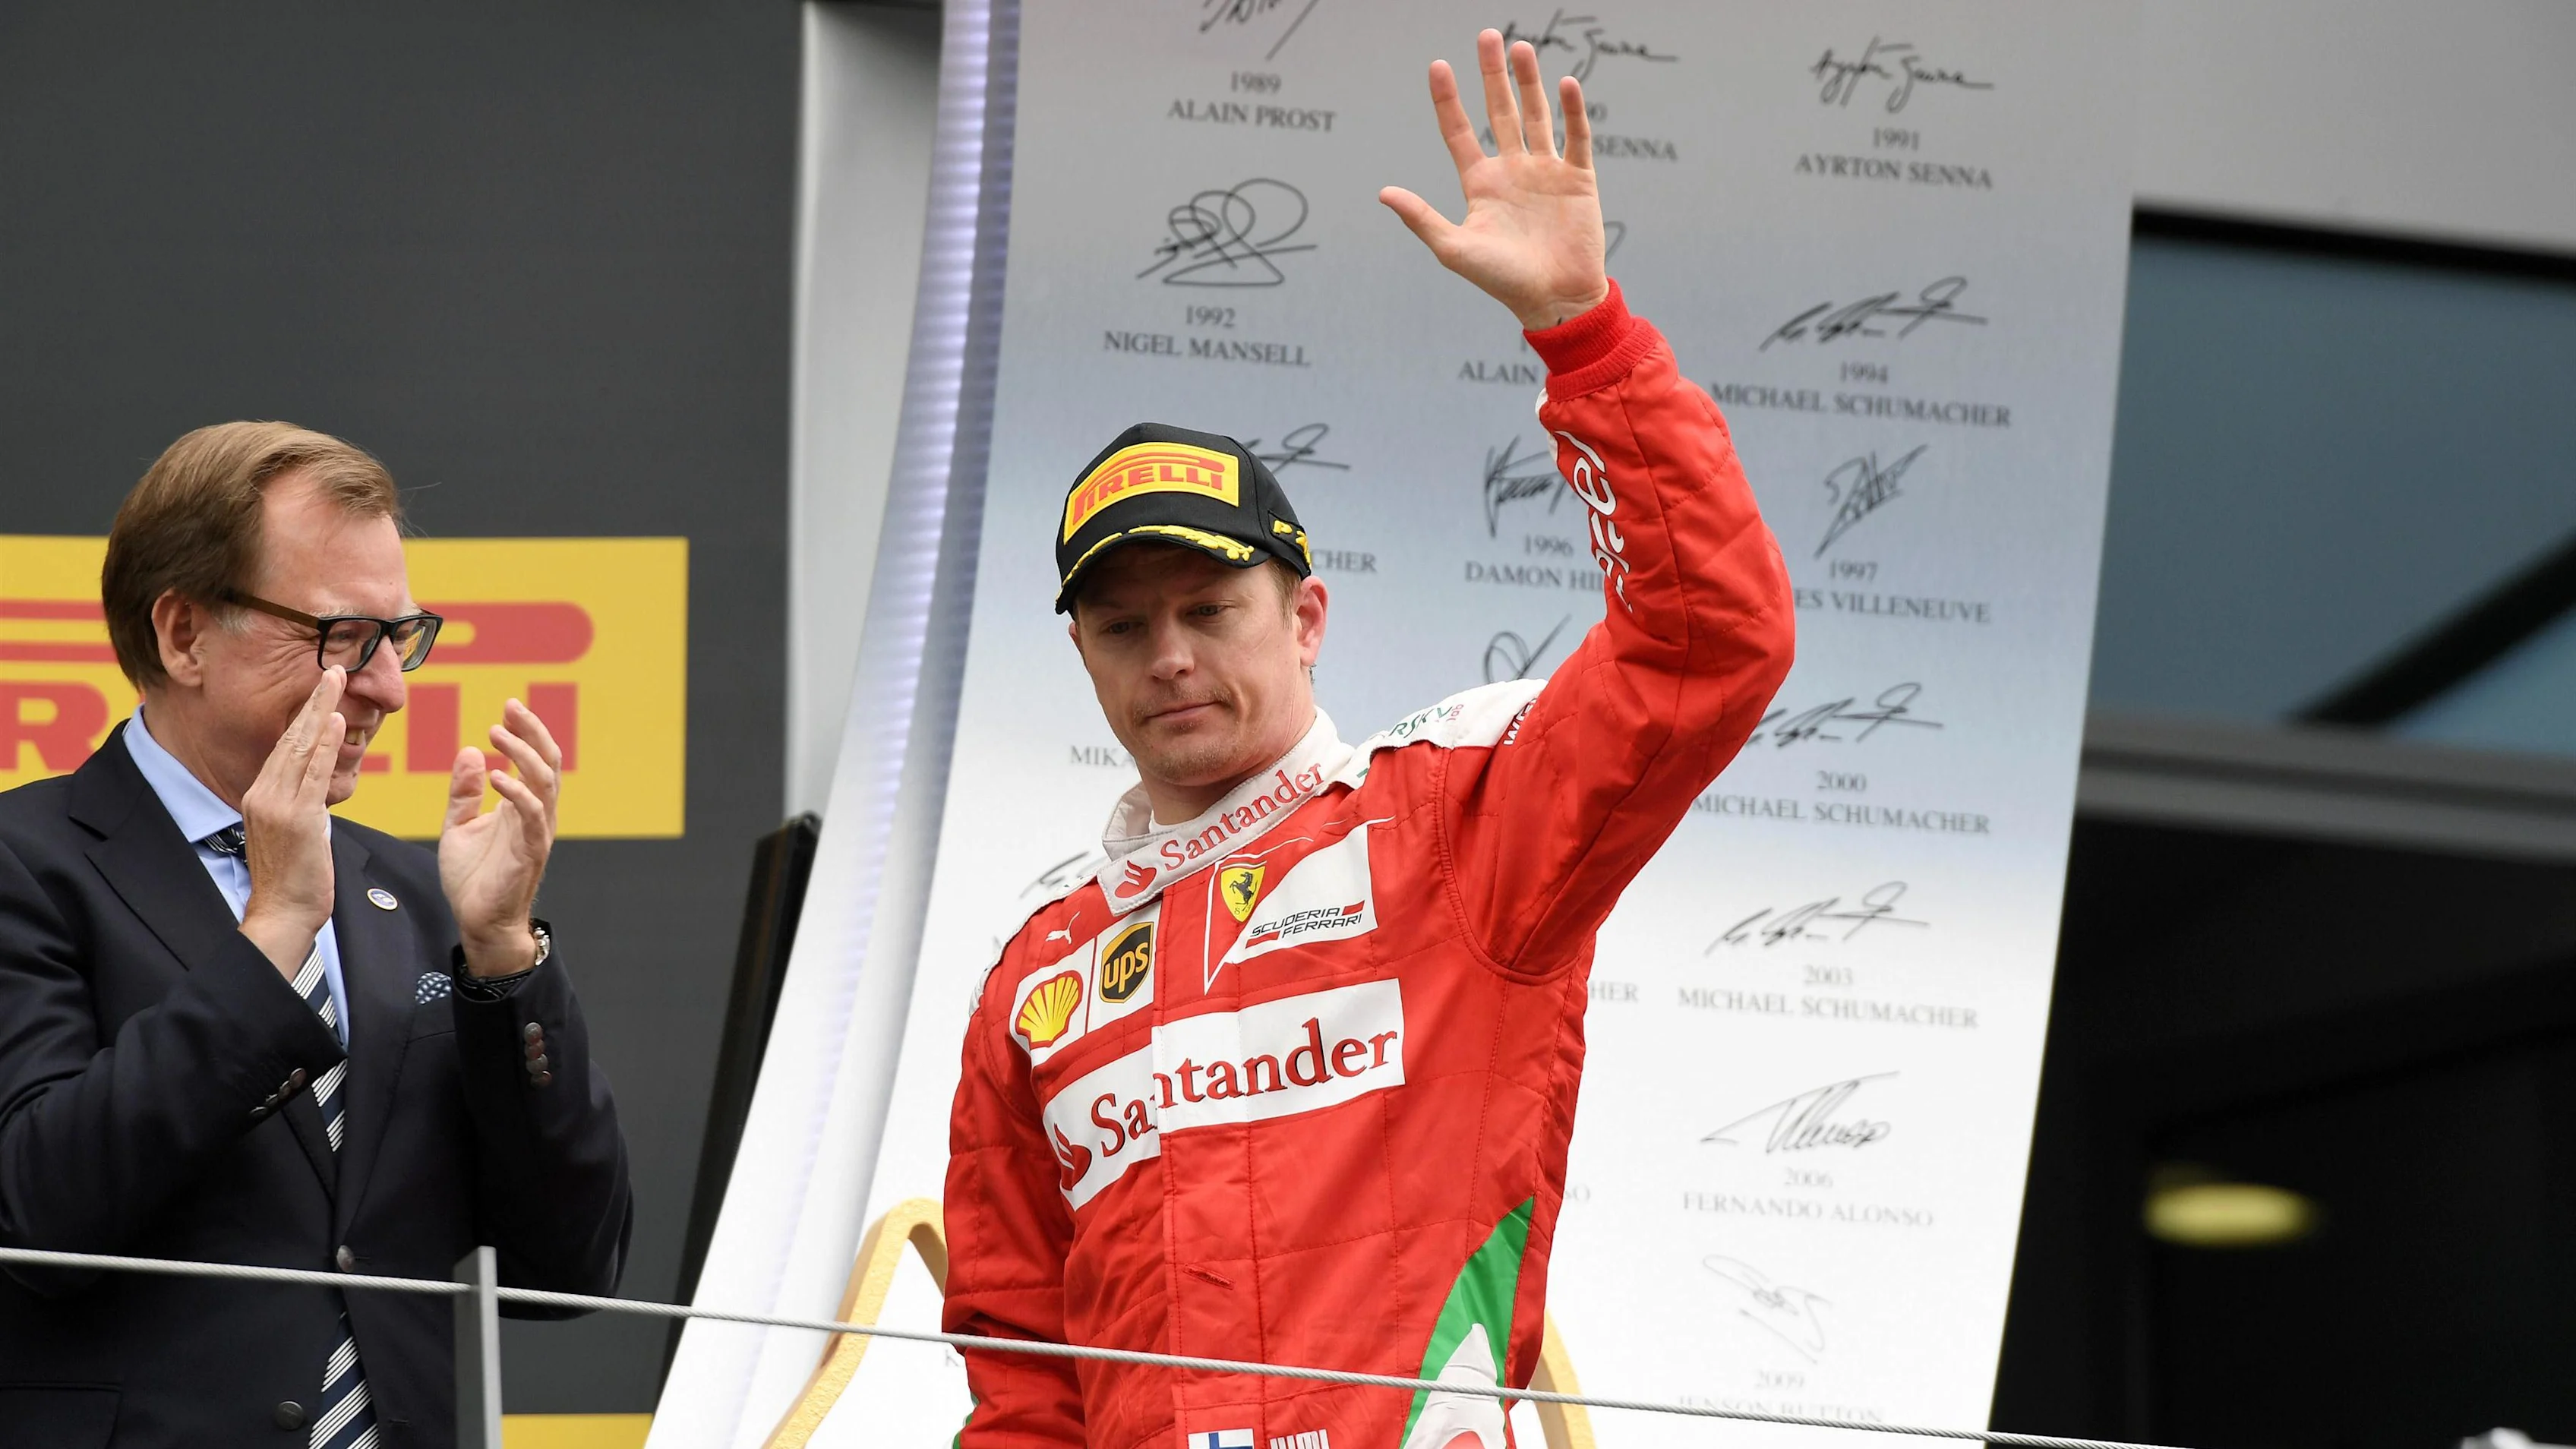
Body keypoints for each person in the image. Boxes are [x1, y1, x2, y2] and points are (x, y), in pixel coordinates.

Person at [942, 31, 1795, 1449]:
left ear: (1309, 618)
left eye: (1211, 608)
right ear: (1082, 656)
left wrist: (1584, 334)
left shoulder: (1460, 821)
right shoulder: (1036, 980)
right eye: (1123, 625)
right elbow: (1023, 1384)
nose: (1170, 656)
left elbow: (1711, 643)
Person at [0, 423, 633, 1448]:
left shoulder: (415, 897)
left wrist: (503, 959)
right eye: (344, 638)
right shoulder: (27, 864)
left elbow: (567, 1266)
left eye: (402, 638)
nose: (390, 688)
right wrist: (275, 935)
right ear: (185, 635)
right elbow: (38, 1215)